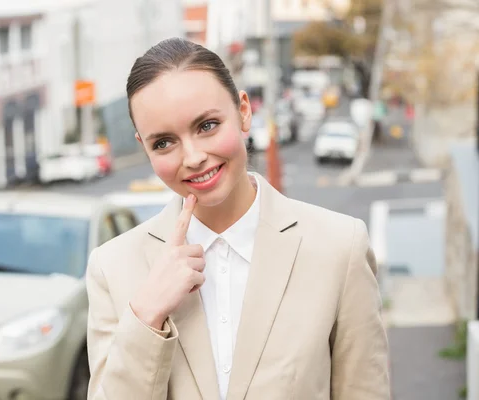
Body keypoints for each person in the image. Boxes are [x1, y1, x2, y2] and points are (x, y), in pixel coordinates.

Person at [86, 38, 390, 400]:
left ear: (244, 111)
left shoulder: (339, 247)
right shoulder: (113, 267)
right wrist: (147, 313)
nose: (194, 156)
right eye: (164, 142)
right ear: (144, 146)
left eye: (207, 125)